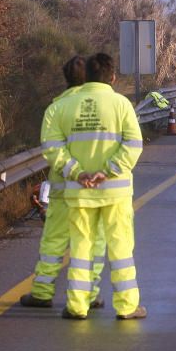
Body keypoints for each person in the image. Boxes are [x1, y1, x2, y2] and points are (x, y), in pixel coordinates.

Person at [43, 53, 146, 320]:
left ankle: (77, 306)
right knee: (121, 249)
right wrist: (108, 171)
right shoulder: (121, 105)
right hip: (115, 191)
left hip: (79, 192)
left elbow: (52, 147)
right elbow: (134, 144)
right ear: (112, 77)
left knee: (81, 250)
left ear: (86, 76)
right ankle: (126, 306)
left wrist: (75, 173)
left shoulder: (63, 106)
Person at [20, 56, 106, 309]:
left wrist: (73, 172)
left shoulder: (57, 108)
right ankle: (90, 294)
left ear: (65, 77)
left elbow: (51, 149)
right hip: (97, 189)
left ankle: (43, 292)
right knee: (94, 242)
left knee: (53, 242)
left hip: (63, 190)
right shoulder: (104, 105)